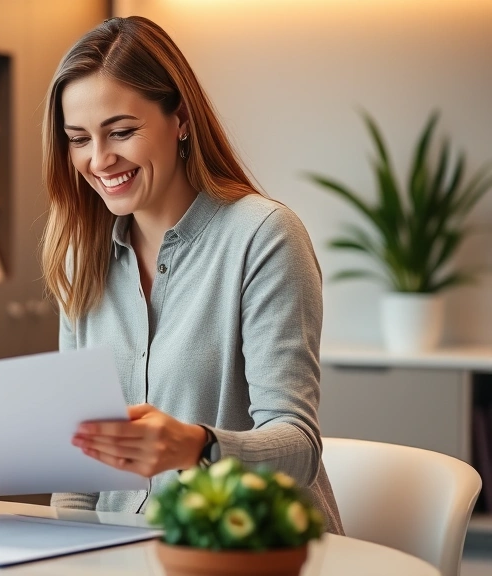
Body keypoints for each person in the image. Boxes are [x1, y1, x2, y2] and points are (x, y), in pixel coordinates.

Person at [40, 16, 343, 532]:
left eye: (121, 132)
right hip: (124, 553)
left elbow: (299, 447)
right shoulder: (80, 257)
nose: (99, 159)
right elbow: (81, 471)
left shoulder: (263, 237)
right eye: (78, 139)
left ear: (179, 119)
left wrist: (196, 445)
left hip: (253, 547)